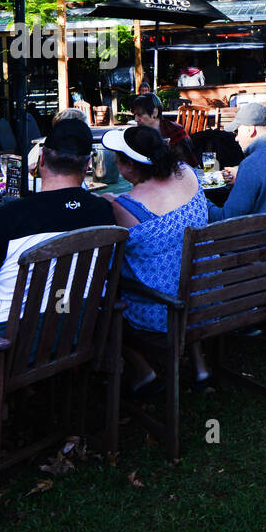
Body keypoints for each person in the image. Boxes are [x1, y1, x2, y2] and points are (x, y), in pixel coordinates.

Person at [0, 118, 116, 335]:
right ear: (87, 166)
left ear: (41, 161)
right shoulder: (104, 211)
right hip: (78, 330)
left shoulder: (11, 216)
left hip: (9, 343)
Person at [102, 124, 211, 390]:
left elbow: (114, 255)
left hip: (162, 311)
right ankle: (200, 367)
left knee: (104, 298)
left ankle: (142, 369)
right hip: (205, 294)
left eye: (119, 158)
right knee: (182, 268)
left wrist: (111, 201)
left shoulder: (124, 206)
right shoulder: (187, 173)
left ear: (130, 165)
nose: (116, 162)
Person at [130, 93, 198, 165]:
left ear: (155, 112)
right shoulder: (137, 134)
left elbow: (187, 164)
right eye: (135, 115)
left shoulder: (175, 131)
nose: (136, 119)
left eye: (139, 114)